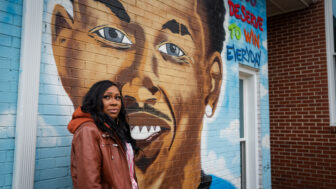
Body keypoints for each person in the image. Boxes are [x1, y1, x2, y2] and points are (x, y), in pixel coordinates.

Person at [51, 0, 233, 188]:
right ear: (63, 48)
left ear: (212, 81)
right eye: (112, 35)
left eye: (173, 49)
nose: (138, 88)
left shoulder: (115, 131)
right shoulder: (90, 131)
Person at [67, 80, 139, 189]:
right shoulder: (88, 131)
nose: (114, 102)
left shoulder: (115, 130)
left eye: (117, 97)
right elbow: (89, 183)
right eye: (107, 97)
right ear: (95, 101)